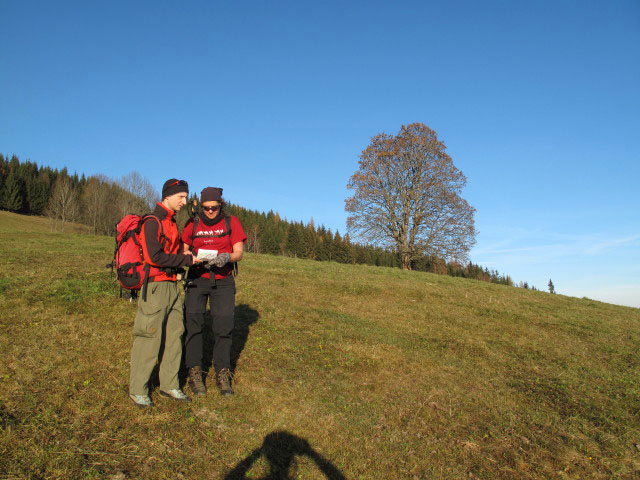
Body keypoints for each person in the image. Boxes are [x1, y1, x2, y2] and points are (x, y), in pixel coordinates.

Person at [128, 179, 201, 407]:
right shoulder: (153, 221)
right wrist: (186, 259)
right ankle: (138, 389)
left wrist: (188, 258)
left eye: (185, 197)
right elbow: (154, 257)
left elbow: (173, 252)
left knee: (174, 336)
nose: (184, 201)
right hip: (155, 287)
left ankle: (169, 385)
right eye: (180, 197)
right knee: (149, 337)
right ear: (167, 196)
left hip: (172, 286)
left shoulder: (171, 222)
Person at [182, 187, 246, 396]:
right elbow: (183, 250)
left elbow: (239, 252)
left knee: (223, 326)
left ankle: (223, 373)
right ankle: (194, 372)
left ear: (221, 205)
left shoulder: (231, 222)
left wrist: (226, 257)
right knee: (193, 326)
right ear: (200, 206)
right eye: (206, 208)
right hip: (197, 278)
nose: (210, 211)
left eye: (214, 208)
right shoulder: (192, 223)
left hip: (223, 281)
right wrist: (192, 256)